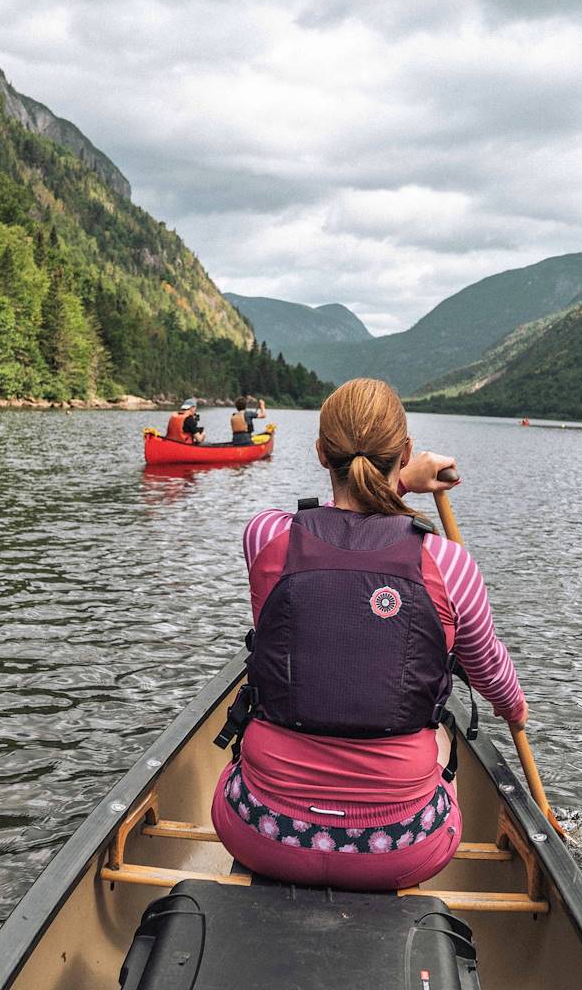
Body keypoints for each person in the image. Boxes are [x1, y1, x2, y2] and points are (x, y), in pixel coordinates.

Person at [211, 377, 527, 891]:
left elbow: (343, 524)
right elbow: (488, 672)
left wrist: (398, 483)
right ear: (402, 452)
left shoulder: (266, 536)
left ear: (319, 453)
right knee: (442, 731)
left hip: (260, 832)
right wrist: (515, 709)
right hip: (402, 846)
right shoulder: (449, 563)